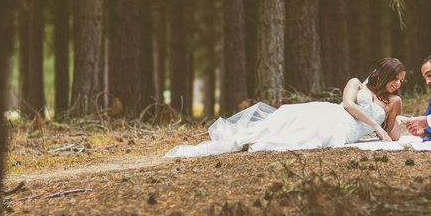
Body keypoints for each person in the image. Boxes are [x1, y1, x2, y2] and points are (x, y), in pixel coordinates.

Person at [164, 57, 406, 158]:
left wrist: (401, 121)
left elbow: (393, 137)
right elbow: (347, 105)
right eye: (395, 78)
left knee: (314, 137)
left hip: (347, 133)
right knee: (293, 118)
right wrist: (375, 125)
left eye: (402, 81)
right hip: (335, 115)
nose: (398, 84)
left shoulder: (394, 102)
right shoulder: (355, 84)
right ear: (384, 74)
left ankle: (258, 143)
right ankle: (250, 139)